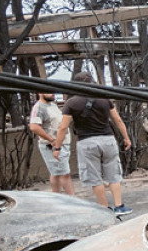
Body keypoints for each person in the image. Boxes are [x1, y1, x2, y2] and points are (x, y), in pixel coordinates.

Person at [54, 72, 133, 214]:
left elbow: (63, 127)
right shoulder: (104, 98)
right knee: (113, 174)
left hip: (87, 142)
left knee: (95, 177)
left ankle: (104, 209)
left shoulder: (71, 103)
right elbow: (118, 120)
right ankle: (119, 206)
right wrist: (126, 137)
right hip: (108, 140)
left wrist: (57, 147)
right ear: (92, 82)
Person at [28, 92, 74, 195]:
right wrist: (51, 140)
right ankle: (73, 199)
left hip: (63, 143)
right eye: (48, 91)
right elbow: (34, 126)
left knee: (56, 173)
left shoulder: (52, 105)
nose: (52, 93)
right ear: (40, 93)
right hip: (51, 146)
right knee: (64, 173)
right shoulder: (39, 107)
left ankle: (57, 198)